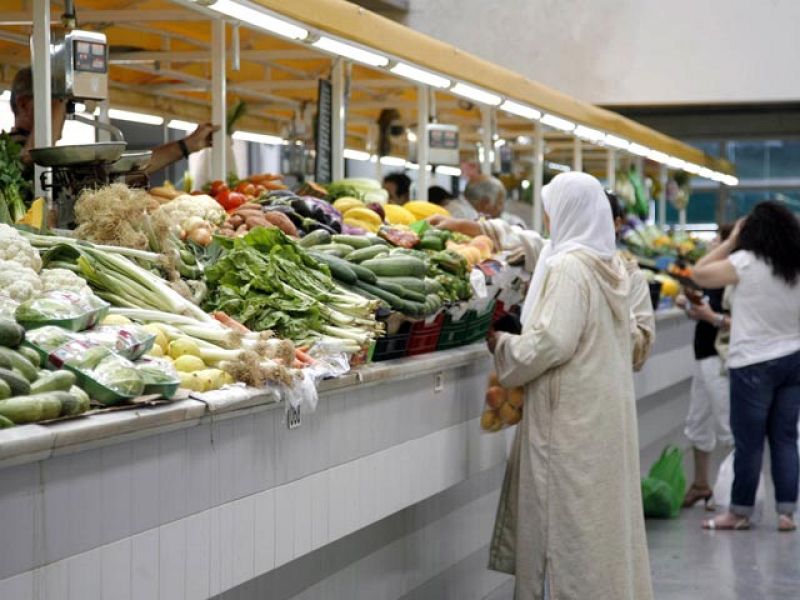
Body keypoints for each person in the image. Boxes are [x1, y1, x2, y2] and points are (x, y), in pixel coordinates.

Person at [486, 172, 653, 599]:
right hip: (600, 414)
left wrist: (505, 346)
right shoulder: (615, 268)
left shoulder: (569, 266)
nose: (546, 216)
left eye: (551, 207)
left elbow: (552, 341)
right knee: (596, 525)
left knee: (561, 526)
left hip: (568, 419)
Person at [692, 201, 800, 532]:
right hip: (793, 360)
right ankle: (786, 513)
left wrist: (729, 241)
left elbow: (699, 273)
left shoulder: (744, 263)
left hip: (751, 363)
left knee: (749, 442)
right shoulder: (795, 267)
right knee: (784, 438)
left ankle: (739, 512)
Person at [8, 67, 218, 177]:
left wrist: (187, 145)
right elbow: (28, 160)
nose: (64, 113)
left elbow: (123, 170)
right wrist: (58, 98)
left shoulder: (57, 167)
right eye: (59, 104)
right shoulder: (11, 161)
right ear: (25, 104)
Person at [676, 225, 734, 509]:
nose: (712, 243)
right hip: (702, 356)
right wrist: (689, 306)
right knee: (697, 421)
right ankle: (701, 483)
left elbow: (727, 318)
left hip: (720, 358)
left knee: (727, 425)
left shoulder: (732, 277)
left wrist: (710, 316)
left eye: (717, 239)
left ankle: (733, 490)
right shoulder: (711, 277)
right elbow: (703, 312)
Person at [461, 175, 527, 226]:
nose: (502, 208)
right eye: (500, 202)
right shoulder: (464, 217)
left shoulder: (513, 223)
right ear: (485, 203)